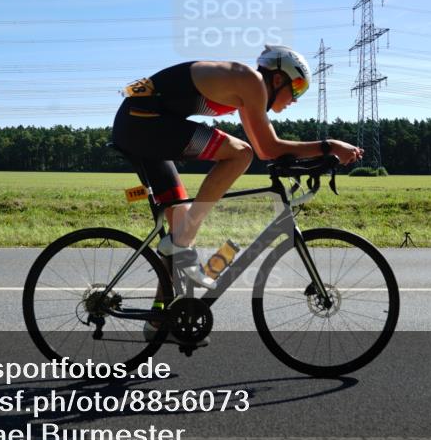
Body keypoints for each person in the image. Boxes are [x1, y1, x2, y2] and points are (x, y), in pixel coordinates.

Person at [112, 45, 363, 306]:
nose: (296, 98)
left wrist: (319, 156)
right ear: (278, 79)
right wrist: (329, 146)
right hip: (143, 122)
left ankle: (161, 319)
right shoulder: (251, 81)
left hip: (140, 124)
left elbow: (267, 151)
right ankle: (181, 244)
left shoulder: (246, 91)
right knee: (240, 154)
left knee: (181, 221)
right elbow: (267, 148)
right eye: (297, 86)